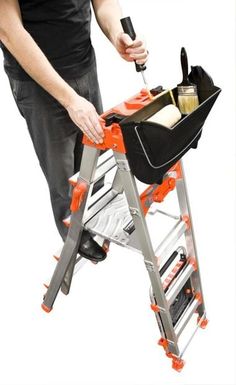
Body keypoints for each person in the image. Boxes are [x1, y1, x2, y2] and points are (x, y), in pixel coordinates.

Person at [0, 0, 148, 262]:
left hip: (82, 63)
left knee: (95, 156)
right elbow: (8, 30)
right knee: (62, 173)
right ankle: (73, 232)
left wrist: (117, 35)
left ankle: (95, 216)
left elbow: (103, 3)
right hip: (38, 84)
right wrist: (69, 100)